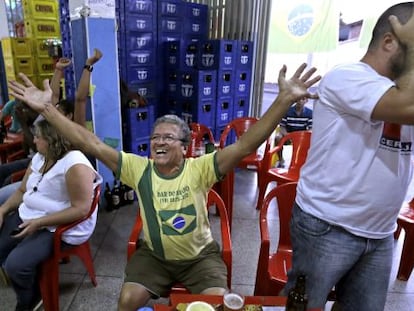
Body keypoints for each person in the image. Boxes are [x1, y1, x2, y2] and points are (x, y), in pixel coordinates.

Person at [8, 63, 320, 311]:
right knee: (127, 301)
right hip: (154, 257)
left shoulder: (200, 168)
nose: (159, 141)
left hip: (200, 259)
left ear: (185, 147)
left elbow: (247, 143)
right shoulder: (138, 169)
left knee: (216, 305)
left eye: (168, 137)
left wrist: (283, 100)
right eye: (156, 136)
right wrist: (47, 110)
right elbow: (90, 142)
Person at [280, 3, 414, 311]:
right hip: (328, 225)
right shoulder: (348, 77)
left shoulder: (403, 88)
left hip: (380, 233)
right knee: (305, 306)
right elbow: (407, 107)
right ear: (390, 41)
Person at [0, 119, 102, 310]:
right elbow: (23, 191)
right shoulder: (40, 156)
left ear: (52, 139)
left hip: (57, 226)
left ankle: (29, 299)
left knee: (15, 265)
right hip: (31, 215)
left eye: (38, 137)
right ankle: (27, 276)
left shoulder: (75, 164)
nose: (34, 141)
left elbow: (80, 209)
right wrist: (3, 209)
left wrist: (40, 223)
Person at [0, 49, 103, 205]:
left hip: (50, 180)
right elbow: (53, 96)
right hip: (38, 165)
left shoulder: (75, 131)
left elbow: (81, 99)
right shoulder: (49, 124)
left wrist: (88, 66)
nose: (54, 111)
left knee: (6, 188)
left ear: (69, 116)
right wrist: (58, 69)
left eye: (59, 110)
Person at [274, 97, 312, 167]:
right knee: (277, 138)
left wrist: (302, 137)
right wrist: (288, 136)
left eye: (303, 99)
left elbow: (310, 129)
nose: (300, 101)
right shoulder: (287, 111)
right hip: (287, 135)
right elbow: (282, 127)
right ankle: (280, 159)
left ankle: (303, 162)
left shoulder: (310, 113)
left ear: (306, 101)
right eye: (298, 99)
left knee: (312, 139)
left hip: (301, 137)